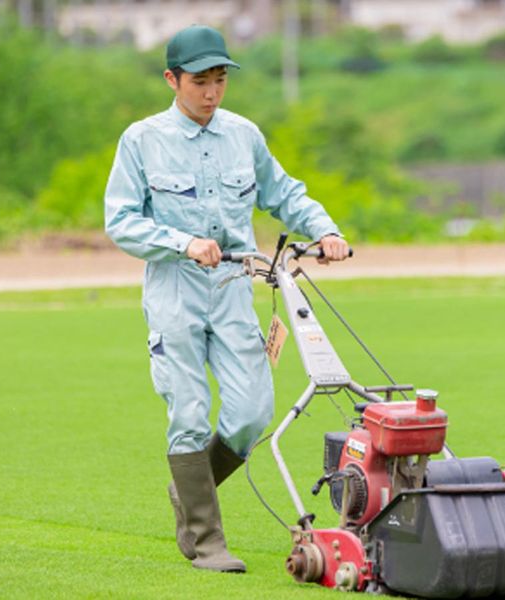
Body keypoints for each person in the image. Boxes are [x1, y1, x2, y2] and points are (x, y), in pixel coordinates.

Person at [104, 25, 349, 573]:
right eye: (199, 82)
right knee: (188, 412)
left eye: (219, 81)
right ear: (172, 80)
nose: (211, 93)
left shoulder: (244, 135)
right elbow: (120, 220)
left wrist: (326, 231)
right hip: (175, 288)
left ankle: (190, 493)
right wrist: (182, 242)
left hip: (236, 286)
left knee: (251, 412)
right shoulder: (141, 140)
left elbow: (285, 193)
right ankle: (207, 540)